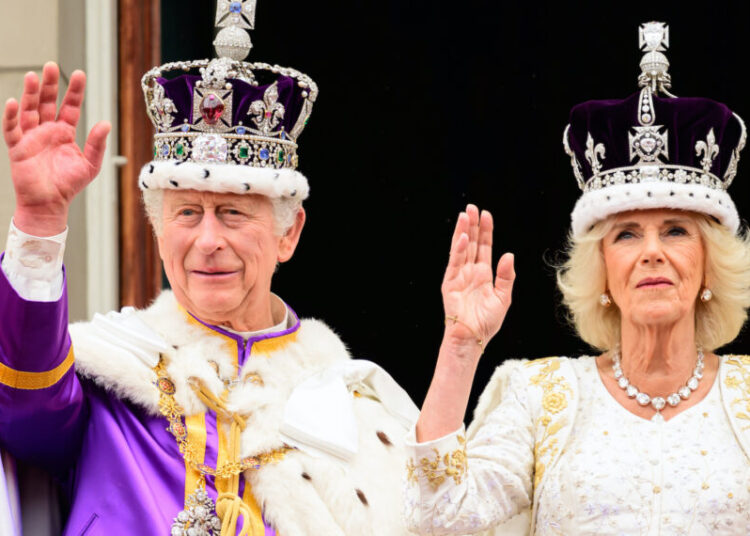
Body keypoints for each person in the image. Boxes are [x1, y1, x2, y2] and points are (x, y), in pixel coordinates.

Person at [0, 2, 418, 535]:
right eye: (188, 214)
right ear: (158, 230)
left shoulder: (351, 404)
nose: (208, 241)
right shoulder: (110, 373)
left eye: (233, 213)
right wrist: (38, 224)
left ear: (288, 233)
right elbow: (26, 413)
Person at [404, 22, 750, 535]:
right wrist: (460, 348)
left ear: (709, 262)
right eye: (627, 235)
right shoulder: (540, 396)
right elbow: (437, 519)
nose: (652, 253)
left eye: (675, 231)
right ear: (602, 271)